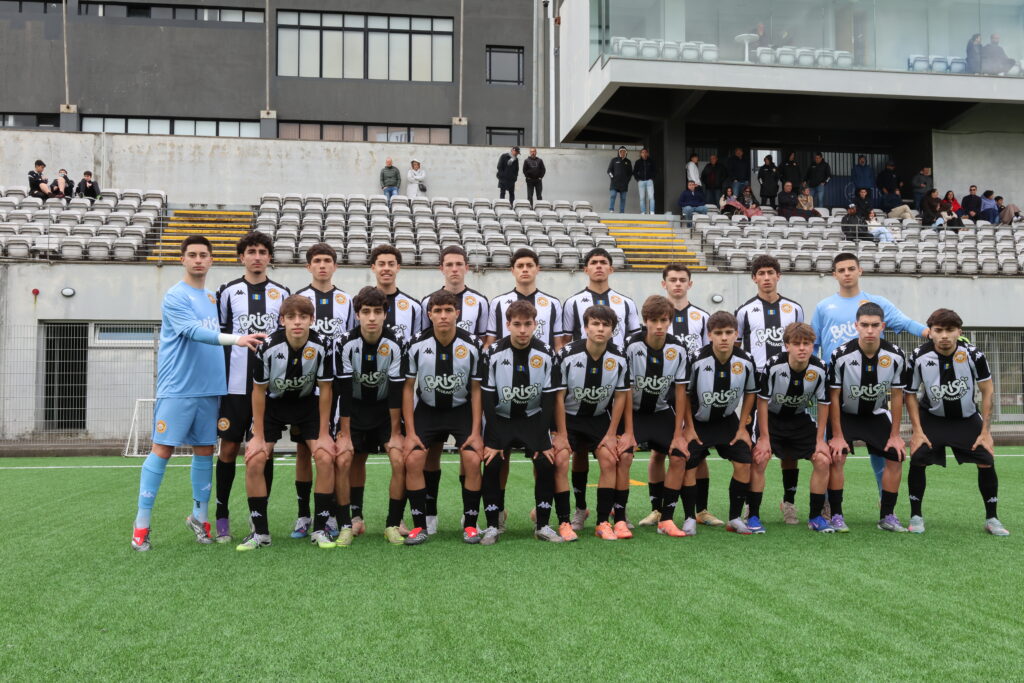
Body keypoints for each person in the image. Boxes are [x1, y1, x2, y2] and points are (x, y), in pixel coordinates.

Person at [130, 235, 267, 552]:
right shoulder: (175, 296)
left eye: (203, 255)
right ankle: (141, 526)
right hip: (179, 388)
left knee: (205, 451)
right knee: (162, 450)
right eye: (192, 255)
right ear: (182, 259)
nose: (198, 260)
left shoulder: (211, 298)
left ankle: (200, 519)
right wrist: (237, 339)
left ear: (211, 260)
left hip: (211, 388)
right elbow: (193, 332)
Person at [810, 252, 929, 495]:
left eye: (851, 268)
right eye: (841, 270)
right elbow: (813, 345)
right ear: (834, 275)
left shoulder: (877, 304)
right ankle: (827, 504)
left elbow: (906, 323)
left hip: (872, 387)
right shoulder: (824, 307)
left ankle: (884, 501)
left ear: (860, 270)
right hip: (835, 391)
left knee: (882, 450)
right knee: (831, 452)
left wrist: (931, 333)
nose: (846, 273)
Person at [483, 248, 571, 537]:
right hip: (502, 418)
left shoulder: (546, 353)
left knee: (545, 460)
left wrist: (545, 436)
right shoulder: (493, 353)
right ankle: (494, 523)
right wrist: (492, 437)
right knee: (493, 461)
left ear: (536, 325)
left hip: (533, 417)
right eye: (517, 325)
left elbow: (549, 398)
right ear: (508, 325)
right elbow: (487, 397)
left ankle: (542, 523)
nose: (522, 330)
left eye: (528, 324)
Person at [238, 295, 335, 551]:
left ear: (312, 320)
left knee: (325, 457)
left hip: (307, 404)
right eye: (291, 317)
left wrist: (324, 433)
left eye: (303, 317)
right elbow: (258, 391)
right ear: (282, 320)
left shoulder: (323, 345)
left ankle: (320, 529)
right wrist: (258, 437)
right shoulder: (268, 346)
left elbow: (326, 389)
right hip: (273, 405)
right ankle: (260, 533)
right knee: (255, 458)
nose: (297, 322)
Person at [213, 232, 290, 543]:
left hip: (269, 388)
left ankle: (259, 515)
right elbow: (219, 336)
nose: (257, 257)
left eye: (262, 252)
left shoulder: (282, 293)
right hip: (234, 386)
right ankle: (221, 515)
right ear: (241, 257)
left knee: (263, 452)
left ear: (269, 257)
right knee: (229, 449)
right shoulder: (227, 291)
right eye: (251, 252)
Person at [904, 308, 1008, 536]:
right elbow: (909, 394)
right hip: (932, 418)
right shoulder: (918, 355)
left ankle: (992, 518)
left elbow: (987, 390)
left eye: (950, 330)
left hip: (966, 418)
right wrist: (917, 431)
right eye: (938, 330)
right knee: (918, 458)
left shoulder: (973, 354)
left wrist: (986, 432)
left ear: (959, 331)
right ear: (930, 332)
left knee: (986, 459)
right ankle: (916, 516)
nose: (944, 336)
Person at [560, 248, 640, 528]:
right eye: (593, 262)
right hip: (577, 388)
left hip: (608, 385)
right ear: (585, 269)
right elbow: (564, 341)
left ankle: (616, 512)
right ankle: (578, 509)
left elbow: (631, 343)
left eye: (603, 262)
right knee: (576, 455)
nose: (598, 266)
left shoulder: (626, 303)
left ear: (611, 268)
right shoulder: (573, 302)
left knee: (615, 456)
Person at [402, 291, 484, 545]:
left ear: (457, 313)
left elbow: (476, 389)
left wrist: (476, 432)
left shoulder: (472, 344)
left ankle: (470, 523)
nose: (443, 316)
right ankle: (421, 523)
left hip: (461, 409)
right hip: (428, 409)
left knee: (472, 459)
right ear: (430, 315)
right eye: (437, 311)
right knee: (414, 459)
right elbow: (407, 388)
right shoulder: (416, 343)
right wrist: (410, 432)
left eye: (448, 310)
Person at [419, 246, 490, 533]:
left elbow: (485, 341)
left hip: (463, 395)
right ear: (442, 268)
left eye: (459, 264)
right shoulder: (426, 301)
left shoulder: (480, 302)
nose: (454, 269)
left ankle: (469, 517)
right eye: (449, 264)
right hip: (432, 397)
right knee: (428, 454)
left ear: (467, 267)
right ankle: (429, 515)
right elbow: (424, 339)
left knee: (469, 455)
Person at [826, 302, 909, 533]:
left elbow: (897, 395)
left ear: (883, 326)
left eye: (874, 325)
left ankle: (887, 515)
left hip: (875, 414)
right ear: (856, 326)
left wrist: (896, 435)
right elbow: (833, 396)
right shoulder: (840, 355)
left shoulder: (896, 355)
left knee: (896, 455)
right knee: (837, 456)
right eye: (864, 325)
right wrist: (837, 436)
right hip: (845, 414)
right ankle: (836, 515)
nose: (870, 330)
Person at [552, 305, 633, 541]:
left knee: (609, 458)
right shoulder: (567, 354)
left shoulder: (619, 357)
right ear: (585, 328)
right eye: (595, 324)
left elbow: (621, 396)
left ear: (612, 330)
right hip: (568, 417)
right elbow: (558, 396)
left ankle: (602, 522)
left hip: (598, 418)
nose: (600, 329)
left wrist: (611, 434)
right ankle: (566, 520)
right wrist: (562, 434)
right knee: (560, 459)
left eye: (605, 325)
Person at [333, 287, 407, 545]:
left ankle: (393, 523)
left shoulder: (396, 342)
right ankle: (349, 522)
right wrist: (344, 434)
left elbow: (396, 390)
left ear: (385, 314)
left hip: (385, 409)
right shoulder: (344, 343)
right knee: (346, 459)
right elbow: (343, 390)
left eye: (377, 311)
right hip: (353, 409)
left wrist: (396, 433)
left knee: (399, 459)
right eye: (366, 312)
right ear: (357, 315)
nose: (372, 317)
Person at [291, 243, 354, 539]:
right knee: (304, 451)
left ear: (335, 266)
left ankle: (329, 516)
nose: (322, 265)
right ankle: (303, 515)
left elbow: (350, 338)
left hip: (336, 383)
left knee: (332, 451)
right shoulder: (299, 298)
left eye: (327, 260)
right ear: (308, 266)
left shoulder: (346, 300)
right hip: (306, 386)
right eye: (317, 261)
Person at [656, 263, 723, 528]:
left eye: (682, 280)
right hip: (664, 390)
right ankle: (658, 510)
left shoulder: (702, 317)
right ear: (664, 284)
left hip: (694, 392)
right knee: (659, 452)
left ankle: (701, 510)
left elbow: (710, 355)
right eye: (672, 280)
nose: (677, 284)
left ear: (690, 284)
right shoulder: (657, 317)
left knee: (699, 452)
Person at [681, 311, 759, 535]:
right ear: (709, 335)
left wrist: (742, 427)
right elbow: (684, 394)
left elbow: (751, 392)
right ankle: (689, 517)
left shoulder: (746, 360)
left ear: (736, 334)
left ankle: (734, 518)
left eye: (728, 332)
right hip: (698, 421)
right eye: (718, 333)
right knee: (689, 465)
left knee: (744, 462)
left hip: (727, 421)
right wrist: (689, 428)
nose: (724, 337)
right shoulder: (697, 359)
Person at [620, 296, 693, 537]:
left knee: (679, 456)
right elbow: (626, 390)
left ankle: (666, 518)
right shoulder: (631, 346)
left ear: (670, 321)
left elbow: (681, 392)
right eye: (654, 320)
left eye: (664, 320)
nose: (659, 326)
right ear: (645, 321)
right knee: (624, 456)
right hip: (633, 412)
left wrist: (679, 433)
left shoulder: (678, 348)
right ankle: (619, 515)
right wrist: (628, 432)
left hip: (661, 411)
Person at [751, 323, 832, 534]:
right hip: (771, 418)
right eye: (796, 344)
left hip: (798, 419)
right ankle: (752, 515)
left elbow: (824, 403)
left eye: (807, 343)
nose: (802, 348)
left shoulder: (820, 368)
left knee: (823, 460)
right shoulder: (773, 365)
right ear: (787, 345)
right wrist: (764, 439)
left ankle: (815, 517)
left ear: (813, 345)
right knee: (760, 458)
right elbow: (761, 402)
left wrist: (820, 440)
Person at [485, 247, 565, 351]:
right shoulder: (498, 303)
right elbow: (490, 343)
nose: (525, 269)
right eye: (520, 266)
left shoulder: (553, 303)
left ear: (537, 269)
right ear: (512, 270)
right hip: (505, 361)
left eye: (529, 265)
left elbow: (558, 345)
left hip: (541, 360)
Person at [736, 255, 805, 373]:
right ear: (754, 278)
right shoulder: (744, 311)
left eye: (770, 272)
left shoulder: (795, 309)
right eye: (761, 273)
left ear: (778, 276)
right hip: (756, 373)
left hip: (787, 372)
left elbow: (800, 342)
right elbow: (735, 346)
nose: (766, 278)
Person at [369, 244, 422, 345]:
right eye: (381, 264)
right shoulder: (361, 303)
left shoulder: (414, 306)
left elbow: (417, 343)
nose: (386, 268)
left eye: (391, 264)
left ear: (398, 267)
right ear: (373, 268)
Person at [607, 146, 632, 213]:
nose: (622, 153)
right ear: (619, 152)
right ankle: (611, 209)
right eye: (621, 151)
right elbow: (609, 171)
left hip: (624, 184)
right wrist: (612, 178)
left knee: (623, 198)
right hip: (614, 183)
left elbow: (630, 173)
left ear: (626, 153)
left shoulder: (628, 161)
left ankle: (622, 212)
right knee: (613, 195)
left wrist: (627, 181)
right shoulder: (614, 160)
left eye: (624, 152)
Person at [633, 147, 657, 215]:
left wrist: (652, 178)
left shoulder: (651, 161)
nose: (644, 154)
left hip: (649, 181)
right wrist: (638, 179)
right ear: (640, 154)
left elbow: (655, 171)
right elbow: (634, 172)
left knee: (651, 197)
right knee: (642, 198)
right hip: (641, 182)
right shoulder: (638, 162)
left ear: (647, 154)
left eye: (645, 152)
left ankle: (652, 211)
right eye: (642, 152)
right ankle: (643, 212)